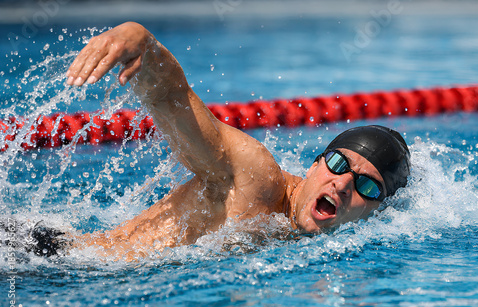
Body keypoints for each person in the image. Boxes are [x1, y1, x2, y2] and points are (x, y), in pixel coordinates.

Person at [30, 22, 410, 260]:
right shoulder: (257, 180)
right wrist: (140, 42)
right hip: (48, 258)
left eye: (365, 185)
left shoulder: (298, 232)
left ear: (377, 211)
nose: (342, 185)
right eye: (340, 165)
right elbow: (173, 100)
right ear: (315, 164)